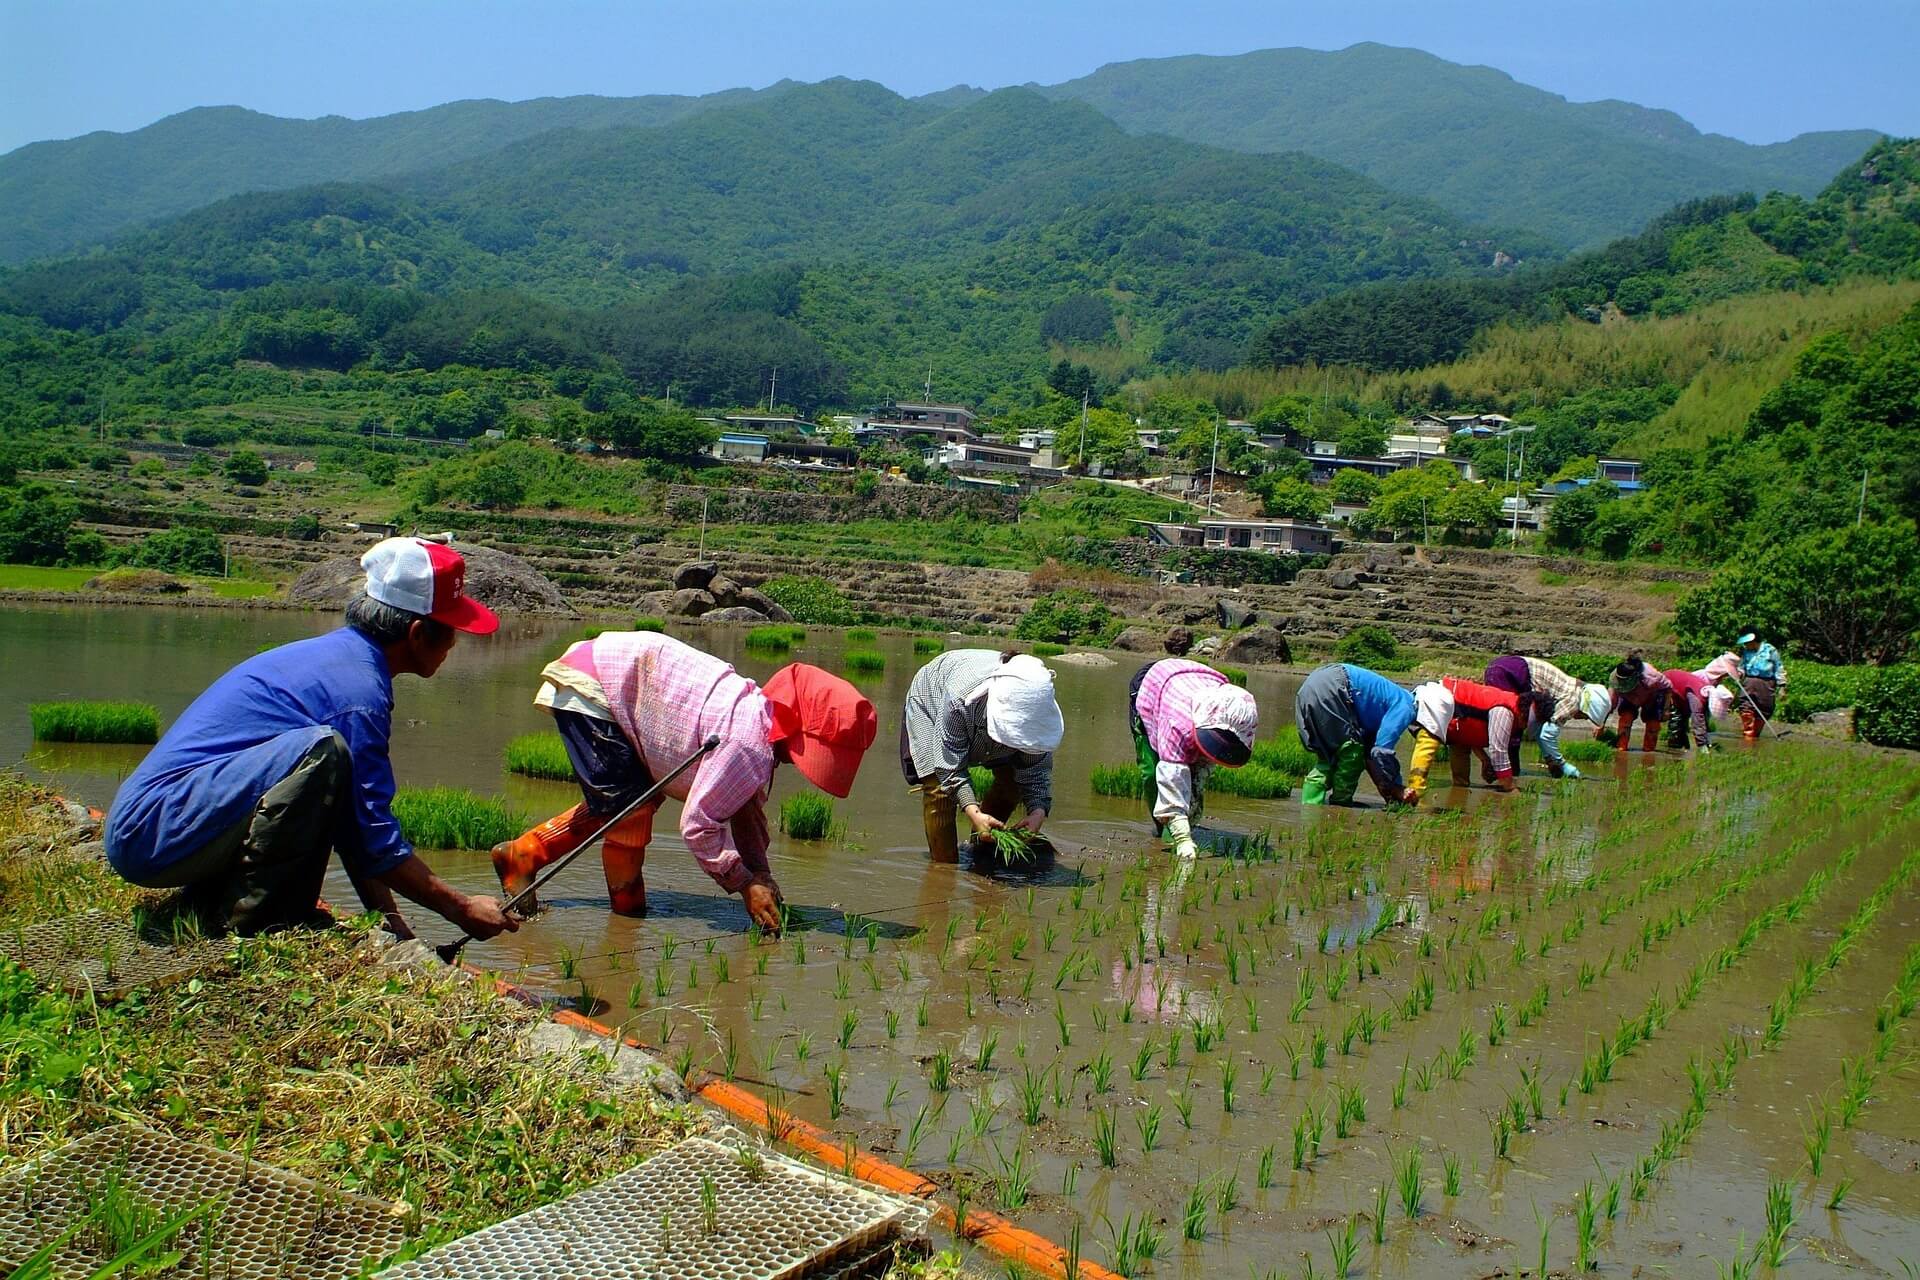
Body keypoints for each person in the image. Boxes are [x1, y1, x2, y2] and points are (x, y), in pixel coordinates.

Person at [104, 538, 518, 941]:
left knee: (328, 761)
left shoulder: (342, 660)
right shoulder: (357, 697)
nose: (455, 643)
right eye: (450, 630)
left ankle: (237, 899)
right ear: (415, 634)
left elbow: (356, 828)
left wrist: (397, 930)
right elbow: (374, 839)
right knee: (324, 751)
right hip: (150, 835)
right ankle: (260, 920)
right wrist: (460, 909)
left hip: (159, 826)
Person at [491, 631, 876, 931]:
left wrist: (762, 873)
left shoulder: (757, 724)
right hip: (598, 686)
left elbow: (746, 810)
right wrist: (744, 883)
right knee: (631, 809)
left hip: (612, 674)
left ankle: (523, 854)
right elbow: (697, 826)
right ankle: (626, 919)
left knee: (621, 801)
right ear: (799, 731)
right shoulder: (747, 742)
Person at [901, 650, 1063, 862]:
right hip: (932, 695)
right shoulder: (959, 701)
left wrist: (1038, 811)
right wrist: (972, 810)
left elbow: (1036, 772)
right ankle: (943, 867)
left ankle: (983, 847)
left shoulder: (1037, 709)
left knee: (1012, 784)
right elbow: (949, 767)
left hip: (974, 711)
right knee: (939, 790)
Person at [1127, 658, 1259, 858]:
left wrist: (1193, 792)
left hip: (1195, 680)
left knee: (1194, 767)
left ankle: (1182, 821)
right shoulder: (1177, 723)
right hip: (1152, 683)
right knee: (1152, 771)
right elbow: (1172, 775)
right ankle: (1167, 828)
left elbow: (1201, 765)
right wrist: (1182, 838)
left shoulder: (1236, 709)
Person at [1294, 663, 1444, 806]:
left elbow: (1370, 758)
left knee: (1328, 755)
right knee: (1351, 754)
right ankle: (1340, 806)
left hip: (1313, 684)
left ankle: (1310, 807)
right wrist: (1397, 788)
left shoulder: (1382, 705)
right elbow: (1382, 751)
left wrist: (1389, 793)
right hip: (1337, 686)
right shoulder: (1406, 705)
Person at [1482, 656, 1613, 779]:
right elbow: (1547, 735)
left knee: (1509, 724)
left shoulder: (1574, 690)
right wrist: (1562, 764)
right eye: (1586, 716)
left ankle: (1503, 771)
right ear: (1585, 709)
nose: (1583, 719)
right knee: (1511, 724)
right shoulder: (1573, 702)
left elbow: (1541, 731)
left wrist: (1550, 759)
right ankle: (1503, 774)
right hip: (1511, 673)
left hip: (1504, 666)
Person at [1404, 676, 1521, 796]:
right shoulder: (1504, 710)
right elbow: (1498, 751)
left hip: (1458, 718)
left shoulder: (1495, 708)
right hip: (1438, 699)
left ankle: (1459, 789)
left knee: (1460, 748)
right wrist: (1510, 787)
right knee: (1429, 741)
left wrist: (1484, 759)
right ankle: (1416, 790)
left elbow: (1470, 733)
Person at [1609, 653, 1672, 753]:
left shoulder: (1651, 677)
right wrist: (1602, 721)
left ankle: (1649, 752)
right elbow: (1612, 699)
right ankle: (1621, 748)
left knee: (1653, 725)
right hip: (1629, 696)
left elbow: (1668, 688)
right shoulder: (1616, 675)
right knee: (1625, 719)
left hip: (1652, 696)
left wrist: (1666, 709)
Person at [1663, 667, 1732, 752]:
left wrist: (1707, 740)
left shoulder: (1707, 692)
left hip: (1682, 692)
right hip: (1668, 683)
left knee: (1684, 718)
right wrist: (1702, 745)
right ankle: (1674, 748)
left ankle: (1682, 746)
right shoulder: (1698, 699)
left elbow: (1704, 720)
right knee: (1676, 720)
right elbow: (1697, 723)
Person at [1734, 630, 1788, 738]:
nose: (1745, 645)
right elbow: (1741, 666)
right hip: (1749, 682)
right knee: (1745, 706)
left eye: (1747, 643)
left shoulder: (1770, 650)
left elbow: (1778, 667)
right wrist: (1738, 674)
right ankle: (1748, 734)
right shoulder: (1745, 652)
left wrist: (1782, 687)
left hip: (1766, 683)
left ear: (1754, 641)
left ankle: (1755, 734)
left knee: (1765, 709)